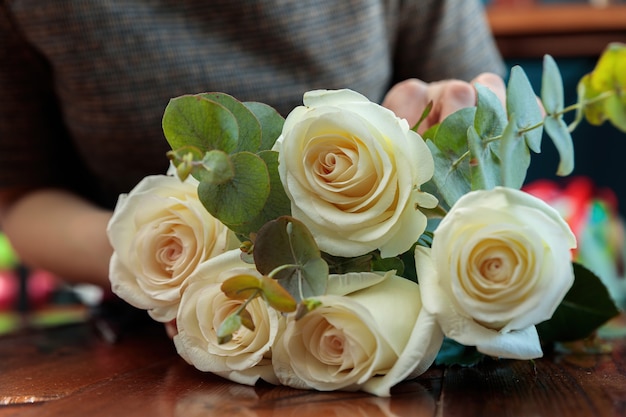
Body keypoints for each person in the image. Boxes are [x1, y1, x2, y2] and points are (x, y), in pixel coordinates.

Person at [0, 0, 506, 291]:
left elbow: (484, 116)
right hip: (151, 327)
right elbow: (22, 189)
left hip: (386, 290)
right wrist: (169, 261)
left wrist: (450, 135)